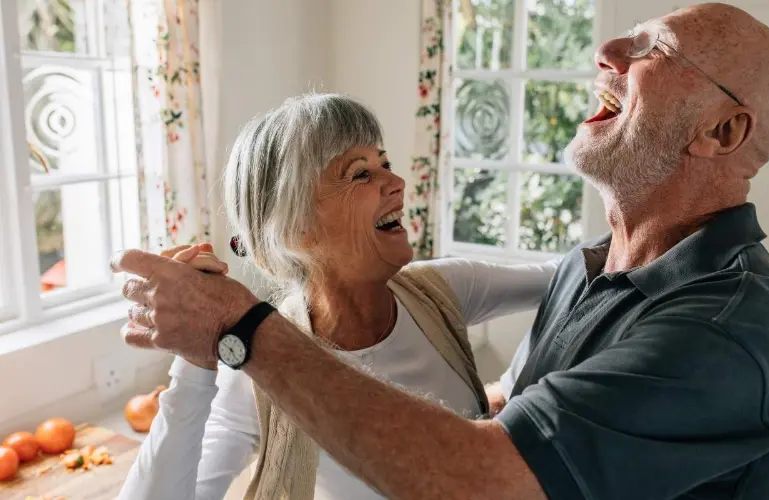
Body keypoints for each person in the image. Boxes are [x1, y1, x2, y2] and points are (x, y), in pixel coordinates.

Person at [113, 3, 769, 499]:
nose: (609, 51)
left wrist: (236, 330)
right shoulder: (590, 272)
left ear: (724, 129)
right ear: (294, 231)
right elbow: (538, 414)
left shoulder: (732, 331)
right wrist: (202, 359)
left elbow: (489, 478)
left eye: (655, 49)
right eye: (359, 172)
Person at [116, 94, 559, 500]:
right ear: (294, 228)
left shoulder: (442, 291)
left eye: (385, 163)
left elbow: (579, 274)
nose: (397, 182)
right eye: (361, 173)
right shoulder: (258, 361)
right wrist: (193, 360)